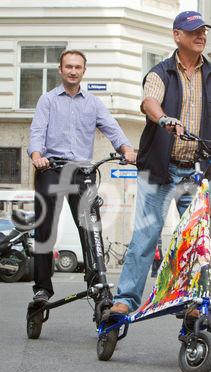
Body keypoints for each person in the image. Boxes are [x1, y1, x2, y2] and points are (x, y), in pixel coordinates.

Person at [111, 11, 211, 314]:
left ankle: (190, 301)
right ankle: (125, 301)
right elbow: (150, 101)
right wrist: (163, 118)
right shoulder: (160, 72)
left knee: (195, 242)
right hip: (159, 169)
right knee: (146, 237)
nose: (201, 36)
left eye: (203, 31)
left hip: (195, 171)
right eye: (193, 32)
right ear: (177, 35)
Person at [28, 49, 136, 302]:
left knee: (89, 228)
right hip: (51, 168)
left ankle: (96, 281)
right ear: (61, 70)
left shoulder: (93, 103)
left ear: (83, 71)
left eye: (78, 67)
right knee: (45, 227)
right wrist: (36, 156)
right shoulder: (48, 100)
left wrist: (126, 149)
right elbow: (37, 132)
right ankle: (42, 288)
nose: (73, 71)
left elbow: (112, 127)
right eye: (69, 67)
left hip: (81, 172)